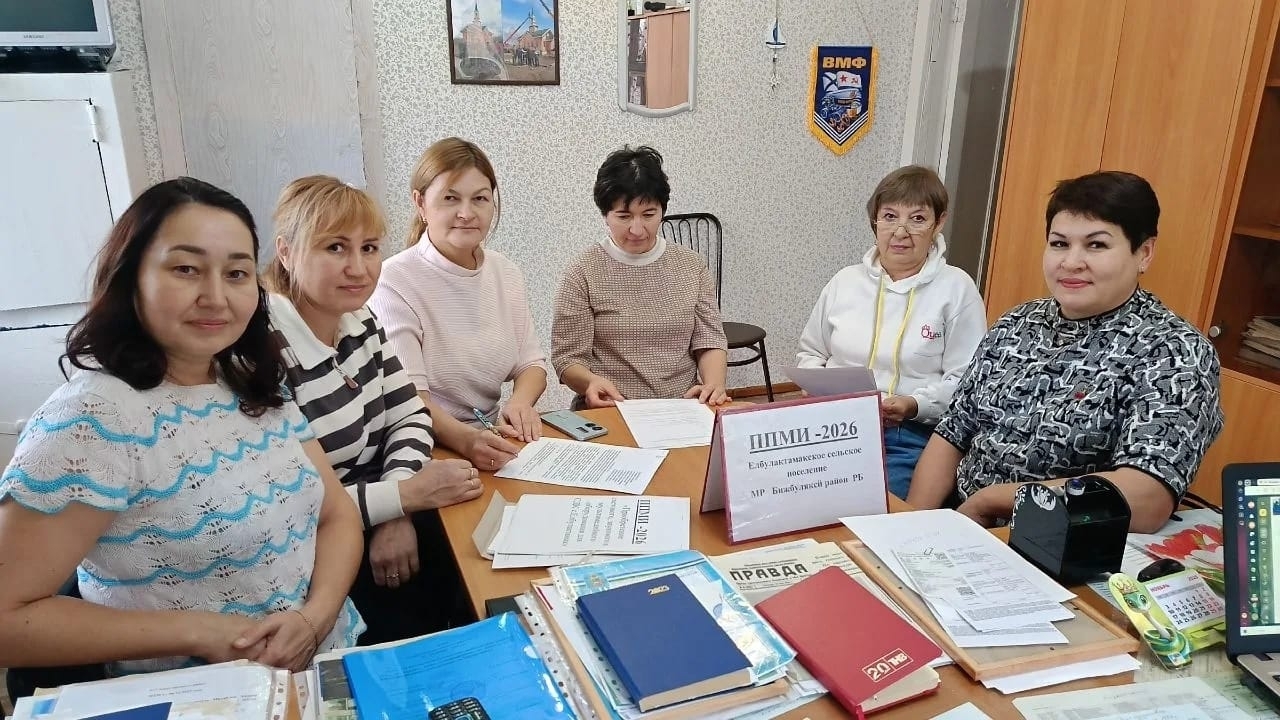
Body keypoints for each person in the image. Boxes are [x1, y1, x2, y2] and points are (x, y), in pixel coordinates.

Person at [0, 178, 364, 678]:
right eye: (186, 269)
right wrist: (200, 631)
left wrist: (312, 620)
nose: (215, 297)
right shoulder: (91, 419)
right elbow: (7, 618)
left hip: (322, 664)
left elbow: (337, 516)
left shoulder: (249, 380)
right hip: (206, 694)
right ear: (131, 278)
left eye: (236, 273)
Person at [907, 171, 1224, 533]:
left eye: (1096, 245)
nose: (1071, 262)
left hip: (1057, 543)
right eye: (1059, 244)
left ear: (1144, 253)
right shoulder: (1017, 323)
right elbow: (953, 432)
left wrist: (993, 500)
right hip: (958, 525)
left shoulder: (1174, 351)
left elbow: (1147, 496)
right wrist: (911, 527)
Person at [266, 175, 482, 644]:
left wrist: (396, 507)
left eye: (369, 248)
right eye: (335, 248)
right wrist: (402, 499)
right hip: (313, 553)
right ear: (286, 252)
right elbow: (293, 502)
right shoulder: (264, 352)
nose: (358, 268)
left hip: (377, 511)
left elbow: (410, 415)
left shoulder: (359, 318)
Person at [797, 165, 986, 500]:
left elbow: (966, 382)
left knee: (870, 505)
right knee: (793, 494)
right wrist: (819, 387)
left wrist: (914, 405)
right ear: (875, 221)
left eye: (917, 219)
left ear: (939, 223)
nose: (900, 231)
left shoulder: (957, 289)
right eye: (889, 217)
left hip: (908, 433)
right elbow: (811, 352)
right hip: (832, 423)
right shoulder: (845, 281)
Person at [369, 138, 547, 475]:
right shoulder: (393, 280)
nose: (467, 213)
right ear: (421, 203)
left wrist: (520, 403)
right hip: (423, 447)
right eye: (450, 198)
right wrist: (466, 441)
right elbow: (410, 397)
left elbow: (532, 365)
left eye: (480, 199)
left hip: (491, 441)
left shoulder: (505, 272)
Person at [552, 145, 729, 408]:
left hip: (681, 406)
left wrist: (714, 384)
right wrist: (590, 382)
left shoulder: (691, 266)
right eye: (624, 216)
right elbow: (567, 359)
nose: (637, 229)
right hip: (611, 407)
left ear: (662, 211)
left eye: (648, 215)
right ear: (605, 215)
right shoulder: (583, 271)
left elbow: (709, 340)